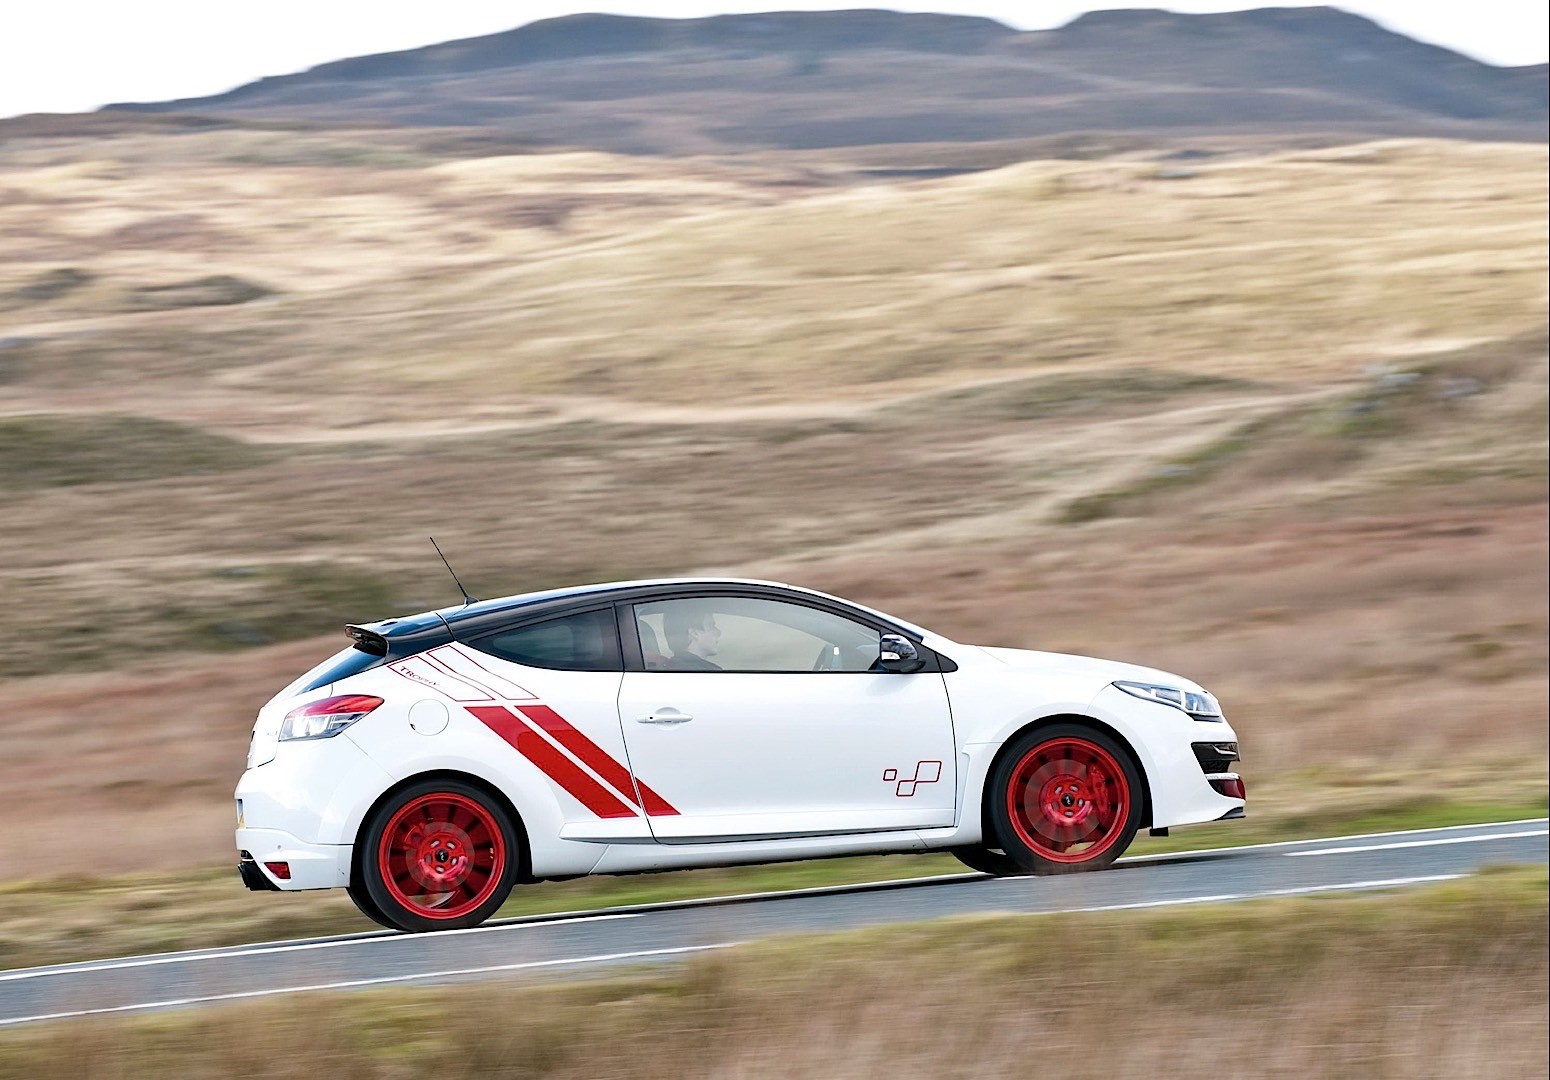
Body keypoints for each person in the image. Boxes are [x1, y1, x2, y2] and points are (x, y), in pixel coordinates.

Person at [662, 603, 723, 671]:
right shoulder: (703, 674)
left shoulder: (671, 668)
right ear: (694, 633)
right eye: (711, 626)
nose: (718, 632)